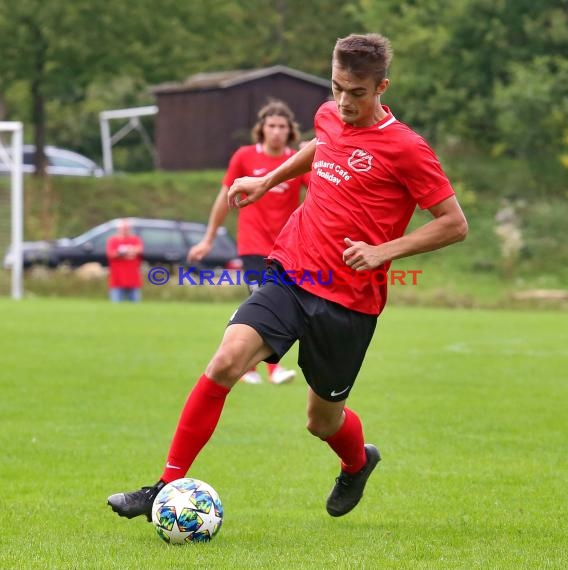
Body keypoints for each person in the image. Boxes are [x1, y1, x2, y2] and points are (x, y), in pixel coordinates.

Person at [107, 33, 468, 521]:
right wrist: (267, 179)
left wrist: (385, 251)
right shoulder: (328, 114)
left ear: (382, 86)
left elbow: (453, 223)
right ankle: (163, 486)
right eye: (337, 87)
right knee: (224, 364)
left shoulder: (407, 148)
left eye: (357, 93)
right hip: (292, 272)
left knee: (322, 421)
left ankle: (357, 463)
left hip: (349, 302)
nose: (344, 102)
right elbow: (322, 147)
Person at [188, 99, 308, 386]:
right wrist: (208, 239)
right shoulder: (244, 156)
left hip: (286, 248)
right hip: (253, 246)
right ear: (262, 129)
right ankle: (268, 369)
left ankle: (252, 367)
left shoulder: (297, 161)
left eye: (282, 126)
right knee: (266, 299)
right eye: (272, 126)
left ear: (290, 131)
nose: (277, 131)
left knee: (276, 303)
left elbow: (321, 192)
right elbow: (224, 198)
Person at [106, 219, 144, 302]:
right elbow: (112, 254)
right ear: (119, 229)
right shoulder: (113, 240)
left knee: (136, 308)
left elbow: (139, 250)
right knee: (116, 307)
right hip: (117, 279)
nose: (125, 231)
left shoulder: (135, 240)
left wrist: (125, 251)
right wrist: (125, 252)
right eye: (123, 228)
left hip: (133, 279)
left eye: (127, 228)